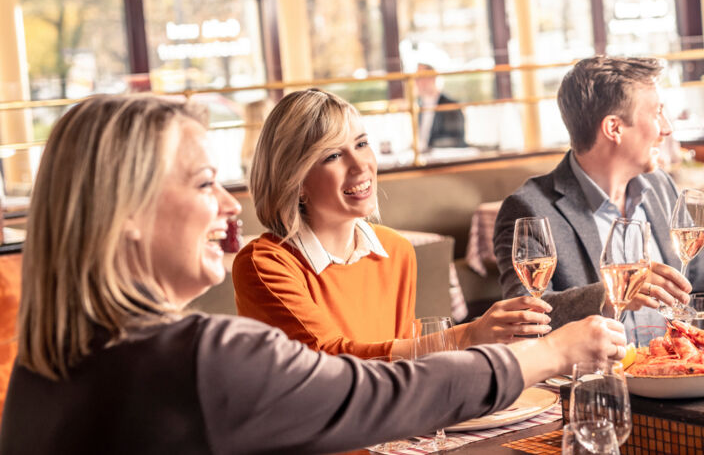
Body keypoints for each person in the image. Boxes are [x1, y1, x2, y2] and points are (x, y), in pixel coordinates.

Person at [0, 95, 626, 453]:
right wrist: (547, 354)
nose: (227, 204)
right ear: (124, 214)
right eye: (202, 183)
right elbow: (377, 388)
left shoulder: (44, 366)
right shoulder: (202, 357)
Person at [234, 89, 548, 360]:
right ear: (296, 180)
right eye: (332, 156)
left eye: (360, 144)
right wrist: (465, 337)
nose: (360, 166)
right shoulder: (264, 264)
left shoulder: (394, 251)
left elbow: (400, 373)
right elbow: (330, 362)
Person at [493, 56, 704, 335]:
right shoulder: (530, 208)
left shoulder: (660, 186)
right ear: (614, 128)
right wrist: (609, 293)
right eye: (657, 113)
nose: (667, 128)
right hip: (597, 376)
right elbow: (522, 320)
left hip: (680, 370)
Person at [416, 63, 466, 149]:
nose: (417, 82)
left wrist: (430, 147)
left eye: (422, 77)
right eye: (416, 78)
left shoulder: (451, 106)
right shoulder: (419, 108)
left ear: (433, 78)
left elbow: (455, 138)